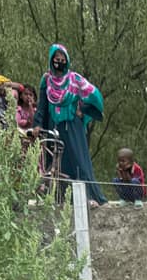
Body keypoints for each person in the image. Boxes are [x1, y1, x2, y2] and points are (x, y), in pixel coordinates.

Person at [34, 44, 103, 202]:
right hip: (54, 125)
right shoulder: (46, 80)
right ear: (52, 60)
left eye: (62, 59)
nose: (60, 62)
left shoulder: (74, 79)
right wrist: (37, 124)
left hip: (72, 125)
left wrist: (83, 110)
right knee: (56, 162)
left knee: (78, 160)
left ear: (67, 60)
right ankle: (60, 198)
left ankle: (90, 197)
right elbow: (42, 105)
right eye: (56, 59)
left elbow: (94, 95)